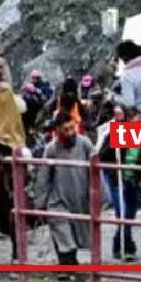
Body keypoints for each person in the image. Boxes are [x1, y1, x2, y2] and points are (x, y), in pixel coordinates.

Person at [34, 111, 94, 265]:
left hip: (80, 197)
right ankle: (67, 264)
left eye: (72, 128)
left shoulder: (85, 144)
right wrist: (40, 204)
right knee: (62, 231)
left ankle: (70, 263)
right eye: (65, 130)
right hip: (58, 200)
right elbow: (44, 177)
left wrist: (98, 196)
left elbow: (96, 169)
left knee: (77, 233)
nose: (70, 133)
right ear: (58, 130)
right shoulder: (51, 149)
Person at [96, 104, 141, 260]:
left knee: (130, 215)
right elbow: (102, 155)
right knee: (122, 214)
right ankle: (124, 247)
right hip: (117, 180)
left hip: (133, 181)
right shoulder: (115, 135)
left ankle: (123, 244)